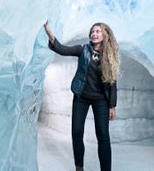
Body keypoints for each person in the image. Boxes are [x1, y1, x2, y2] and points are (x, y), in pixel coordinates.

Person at [43, 21, 120, 171]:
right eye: (92, 31)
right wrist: (48, 30)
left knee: (103, 136)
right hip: (81, 97)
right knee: (77, 133)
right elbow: (61, 49)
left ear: (105, 35)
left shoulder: (110, 56)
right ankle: (79, 167)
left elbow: (112, 83)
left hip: (101, 100)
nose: (94, 34)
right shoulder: (83, 49)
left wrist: (112, 106)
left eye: (97, 31)